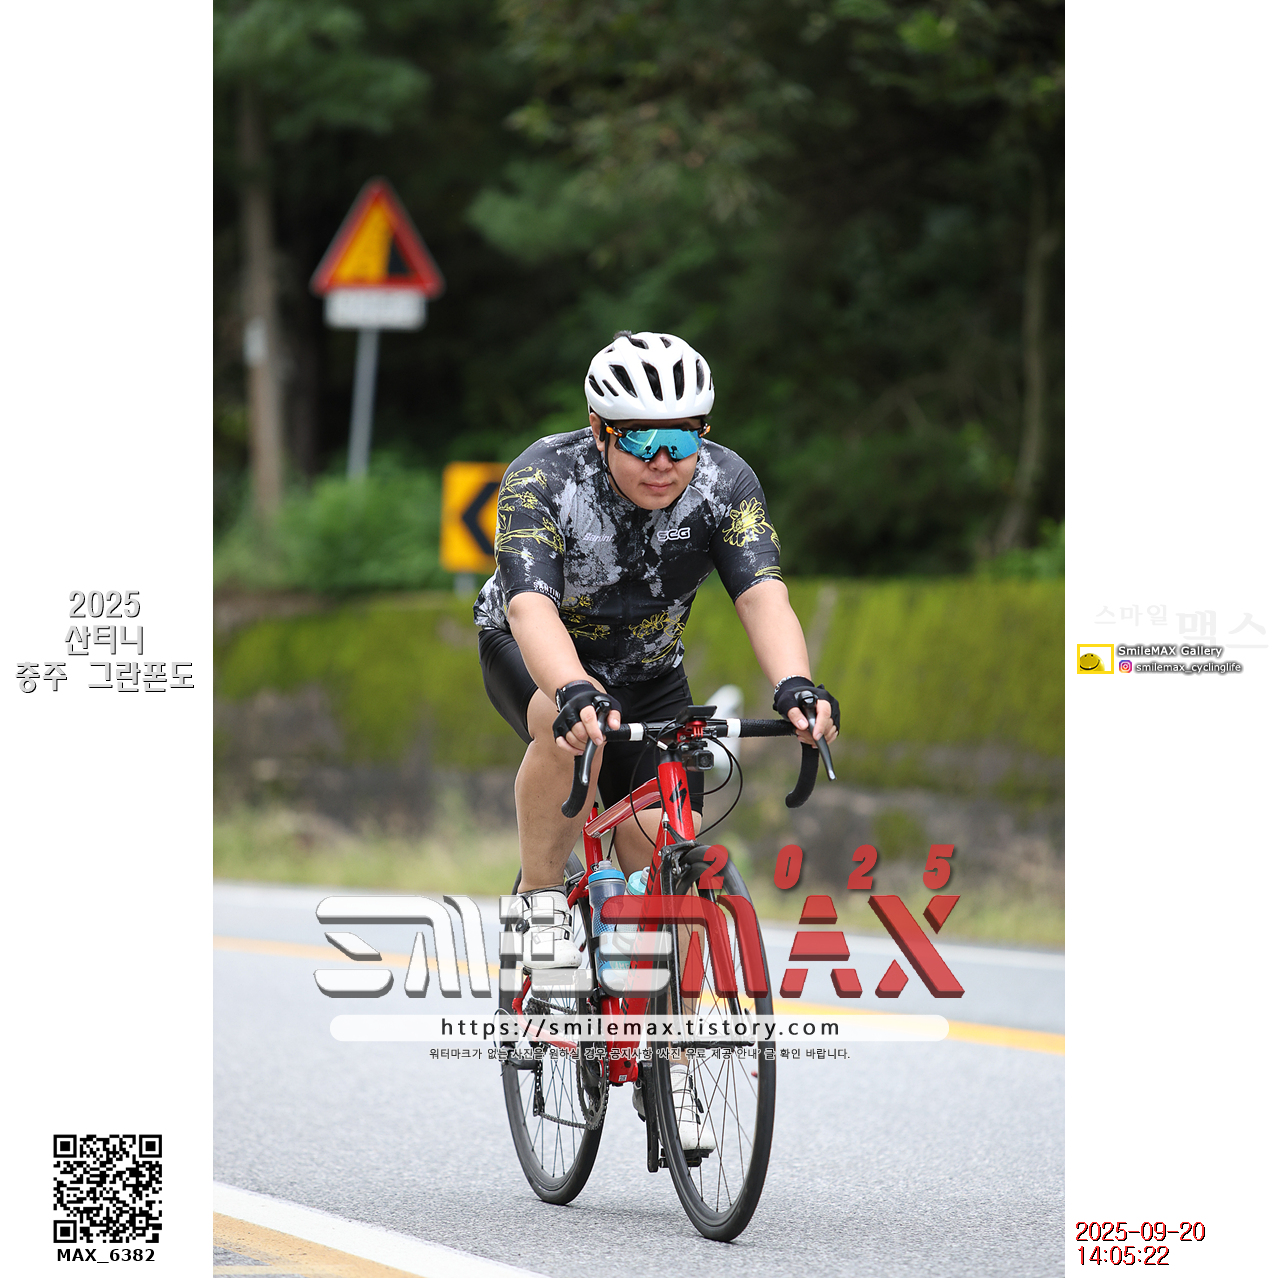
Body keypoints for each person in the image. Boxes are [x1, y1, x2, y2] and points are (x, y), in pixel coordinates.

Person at [474, 330, 838, 1146]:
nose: (664, 460)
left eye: (683, 437)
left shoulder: (726, 483)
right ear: (600, 429)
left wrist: (796, 686)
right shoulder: (541, 477)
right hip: (535, 652)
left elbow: (762, 594)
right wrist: (571, 689)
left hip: (649, 670)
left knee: (662, 856)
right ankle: (542, 905)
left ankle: (668, 1063)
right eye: (642, 440)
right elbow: (530, 605)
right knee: (565, 732)